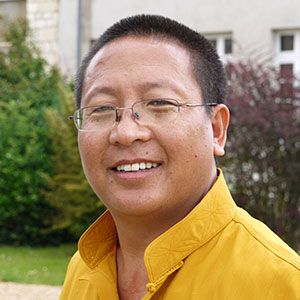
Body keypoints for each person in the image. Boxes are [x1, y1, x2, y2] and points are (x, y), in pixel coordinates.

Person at [60, 15, 300, 300]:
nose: (125, 133)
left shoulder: (279, 283)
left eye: (159, 103)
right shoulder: (84, 269)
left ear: (216, 129)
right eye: (100, 109)